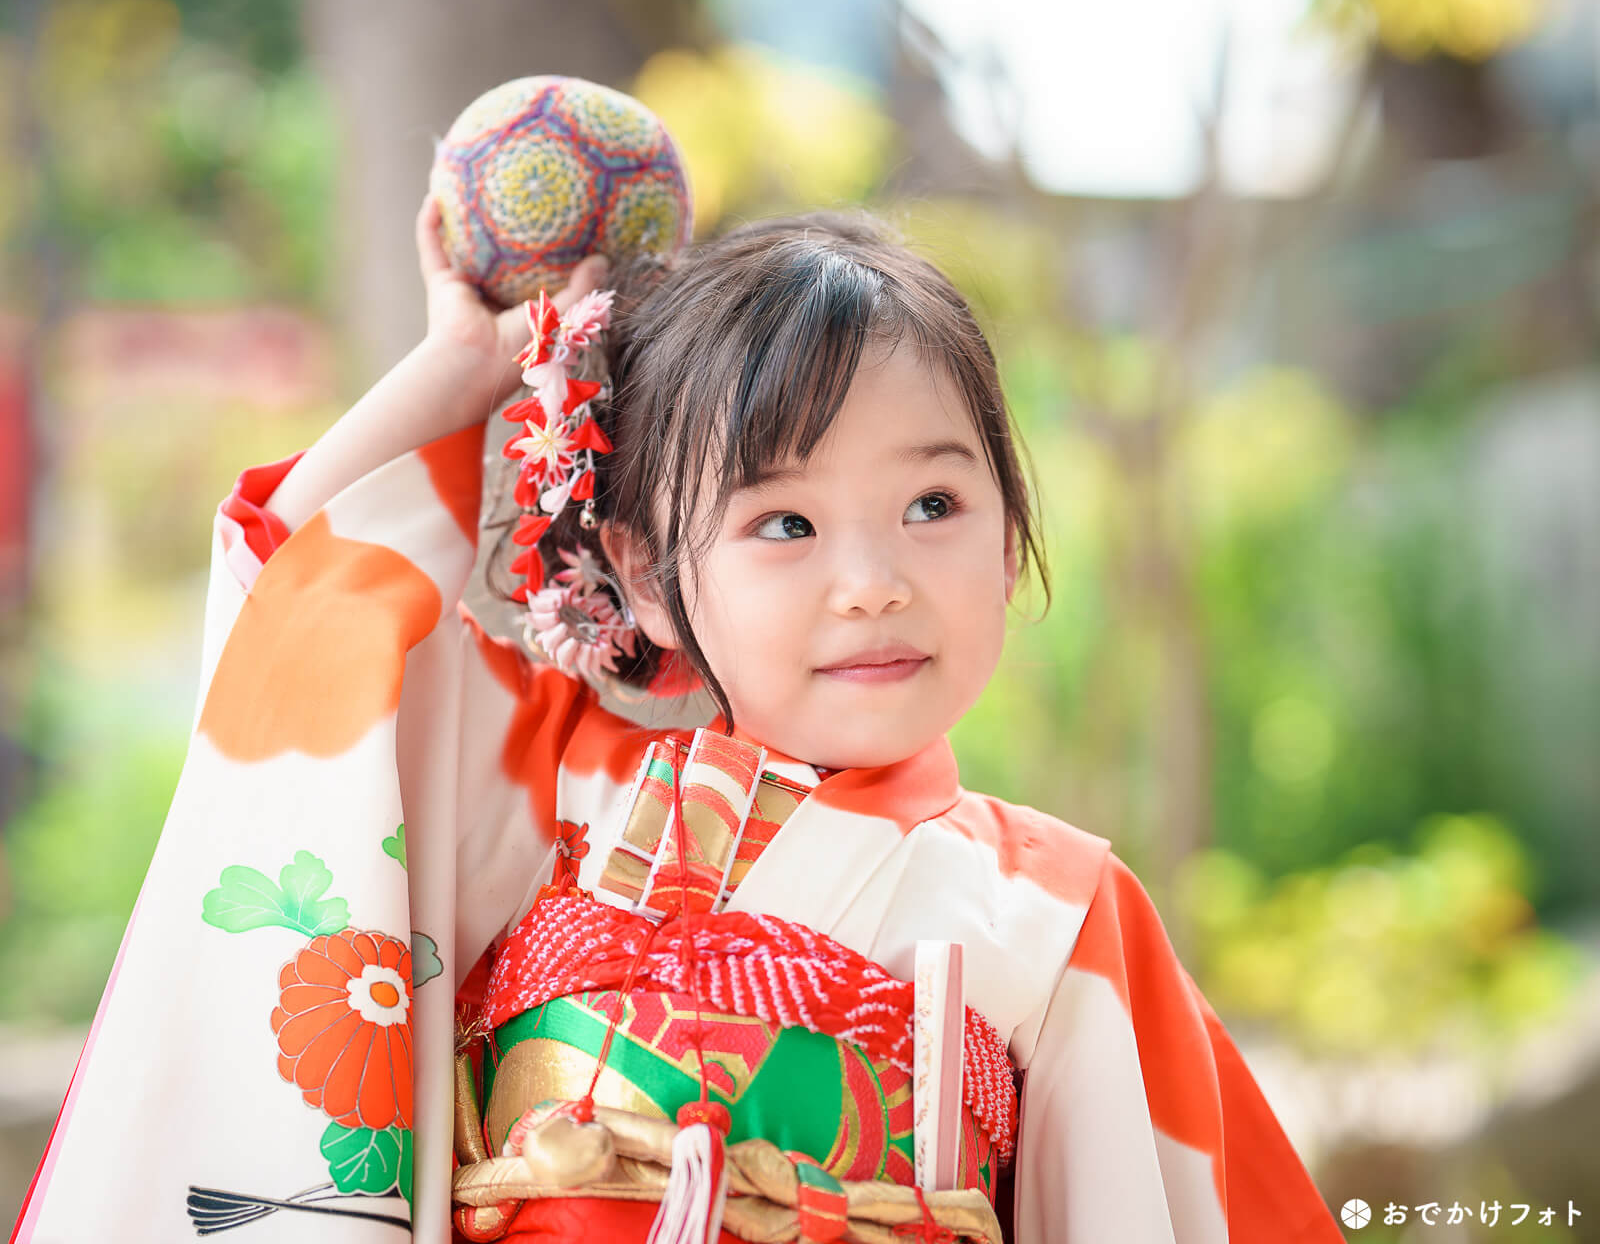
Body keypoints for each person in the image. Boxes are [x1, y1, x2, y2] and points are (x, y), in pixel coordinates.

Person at [11, 198, 1342, 1244]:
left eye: (934, 504)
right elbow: (303, 620)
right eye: (785, 523)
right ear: (648, 569)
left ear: (1009, 535)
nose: (873, 579)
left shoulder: (1059, 911)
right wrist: (459, 371)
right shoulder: (540, 786)